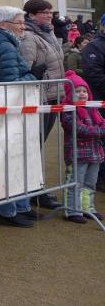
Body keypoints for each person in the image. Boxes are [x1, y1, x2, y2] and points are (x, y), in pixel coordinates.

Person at [0, 6, 41, 227]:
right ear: (4, 25)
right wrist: (34, 77)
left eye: (23, 22)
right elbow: (11, 83)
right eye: (19, 23)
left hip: (8, 109)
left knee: (15, 160)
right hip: (8, 109)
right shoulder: (5, 47)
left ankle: (19, 206)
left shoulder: (3, 43)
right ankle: (8, 211)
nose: (23, 27)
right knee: (9, 162)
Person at [20, 0, 65, 209]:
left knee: (39, 146)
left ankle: (37, 189)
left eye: (50, 12)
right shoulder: (29, 37)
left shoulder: (49, 33)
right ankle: (32, 191)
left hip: (53, 96)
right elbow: (26, 69)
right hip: (40, 98)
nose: (49, 15)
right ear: (31, 15)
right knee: (34, 147)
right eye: (44, 12)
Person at [60, 70, 105, 223]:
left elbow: (102, 123)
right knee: (75, 182)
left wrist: (98, 130)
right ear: (69, 94)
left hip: (95, 153)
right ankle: (72, 210)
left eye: (84, 91)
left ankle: (87, 208)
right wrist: (99, 131)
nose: (82, 94)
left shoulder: (93, 109)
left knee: (90, 183)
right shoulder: (68, 112)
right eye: (77, 91)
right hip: (77, 155)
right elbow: (81, 129)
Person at [82, 14, 105, 192]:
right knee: (101, 140)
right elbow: (94, 74)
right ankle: (100, 178)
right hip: (100, 102)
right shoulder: (94, 46)